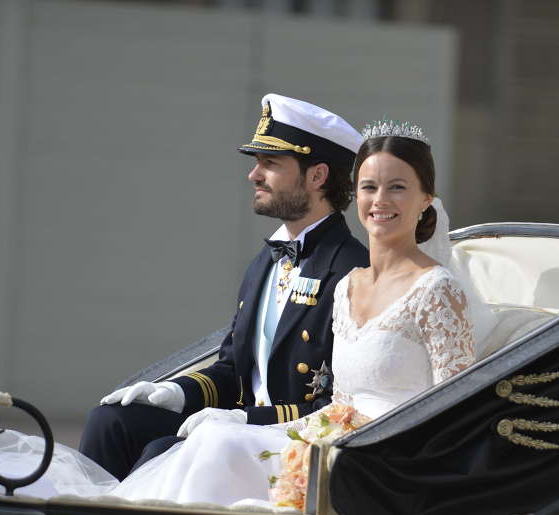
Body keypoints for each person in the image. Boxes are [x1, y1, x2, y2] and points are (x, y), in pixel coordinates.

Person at [111, 122, 477, 506]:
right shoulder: (349, 284)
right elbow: (338, 404)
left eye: (397, 187)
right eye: (369, 187)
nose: (380, 200)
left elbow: (453, 411)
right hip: (328, 441)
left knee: (221, 447)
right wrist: (252, 424)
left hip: (387, 458)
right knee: (212, 438)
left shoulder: (437, 289)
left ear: (426, 199)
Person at [78, 94, 368, 480]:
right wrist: (177, 392)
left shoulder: (351, 270)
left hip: (295, 440)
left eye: (270, 164)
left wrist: (242, 418)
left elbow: (340, 406)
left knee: (161, 452)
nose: (254, 175)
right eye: (257, 163)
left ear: (317, 177)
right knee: (111, 422)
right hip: (240, 426)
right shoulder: (265, 261)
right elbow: (233, 369)